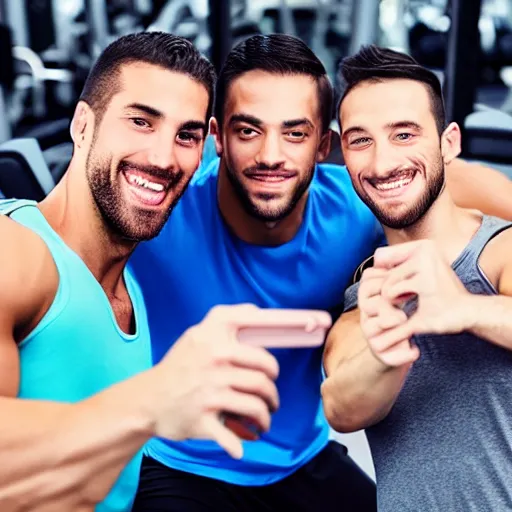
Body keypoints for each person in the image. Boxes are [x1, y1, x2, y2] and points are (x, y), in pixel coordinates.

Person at [130, 34, 510, 511]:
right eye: (248, 130)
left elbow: (460, 182)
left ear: (322, 146)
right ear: (217, 138)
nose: (271, 155)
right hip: (182, 465)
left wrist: (467, 308)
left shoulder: (362, 203)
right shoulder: (156, 216)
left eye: (295, 133)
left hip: (302, 460)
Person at [0, 32, 281, 512]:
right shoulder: (16, 252)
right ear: (83, 125)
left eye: (185, 135)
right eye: (140, 121)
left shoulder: (134, 284)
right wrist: (149, 403)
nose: (163, 157)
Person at [321, 45, 512, 511]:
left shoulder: (500, 252)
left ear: (449, 143)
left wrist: (463, 307)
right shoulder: (363, 298)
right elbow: (343, 407)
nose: (383, 163)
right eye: (361, 140)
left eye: (404, 134)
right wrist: (389, 347)